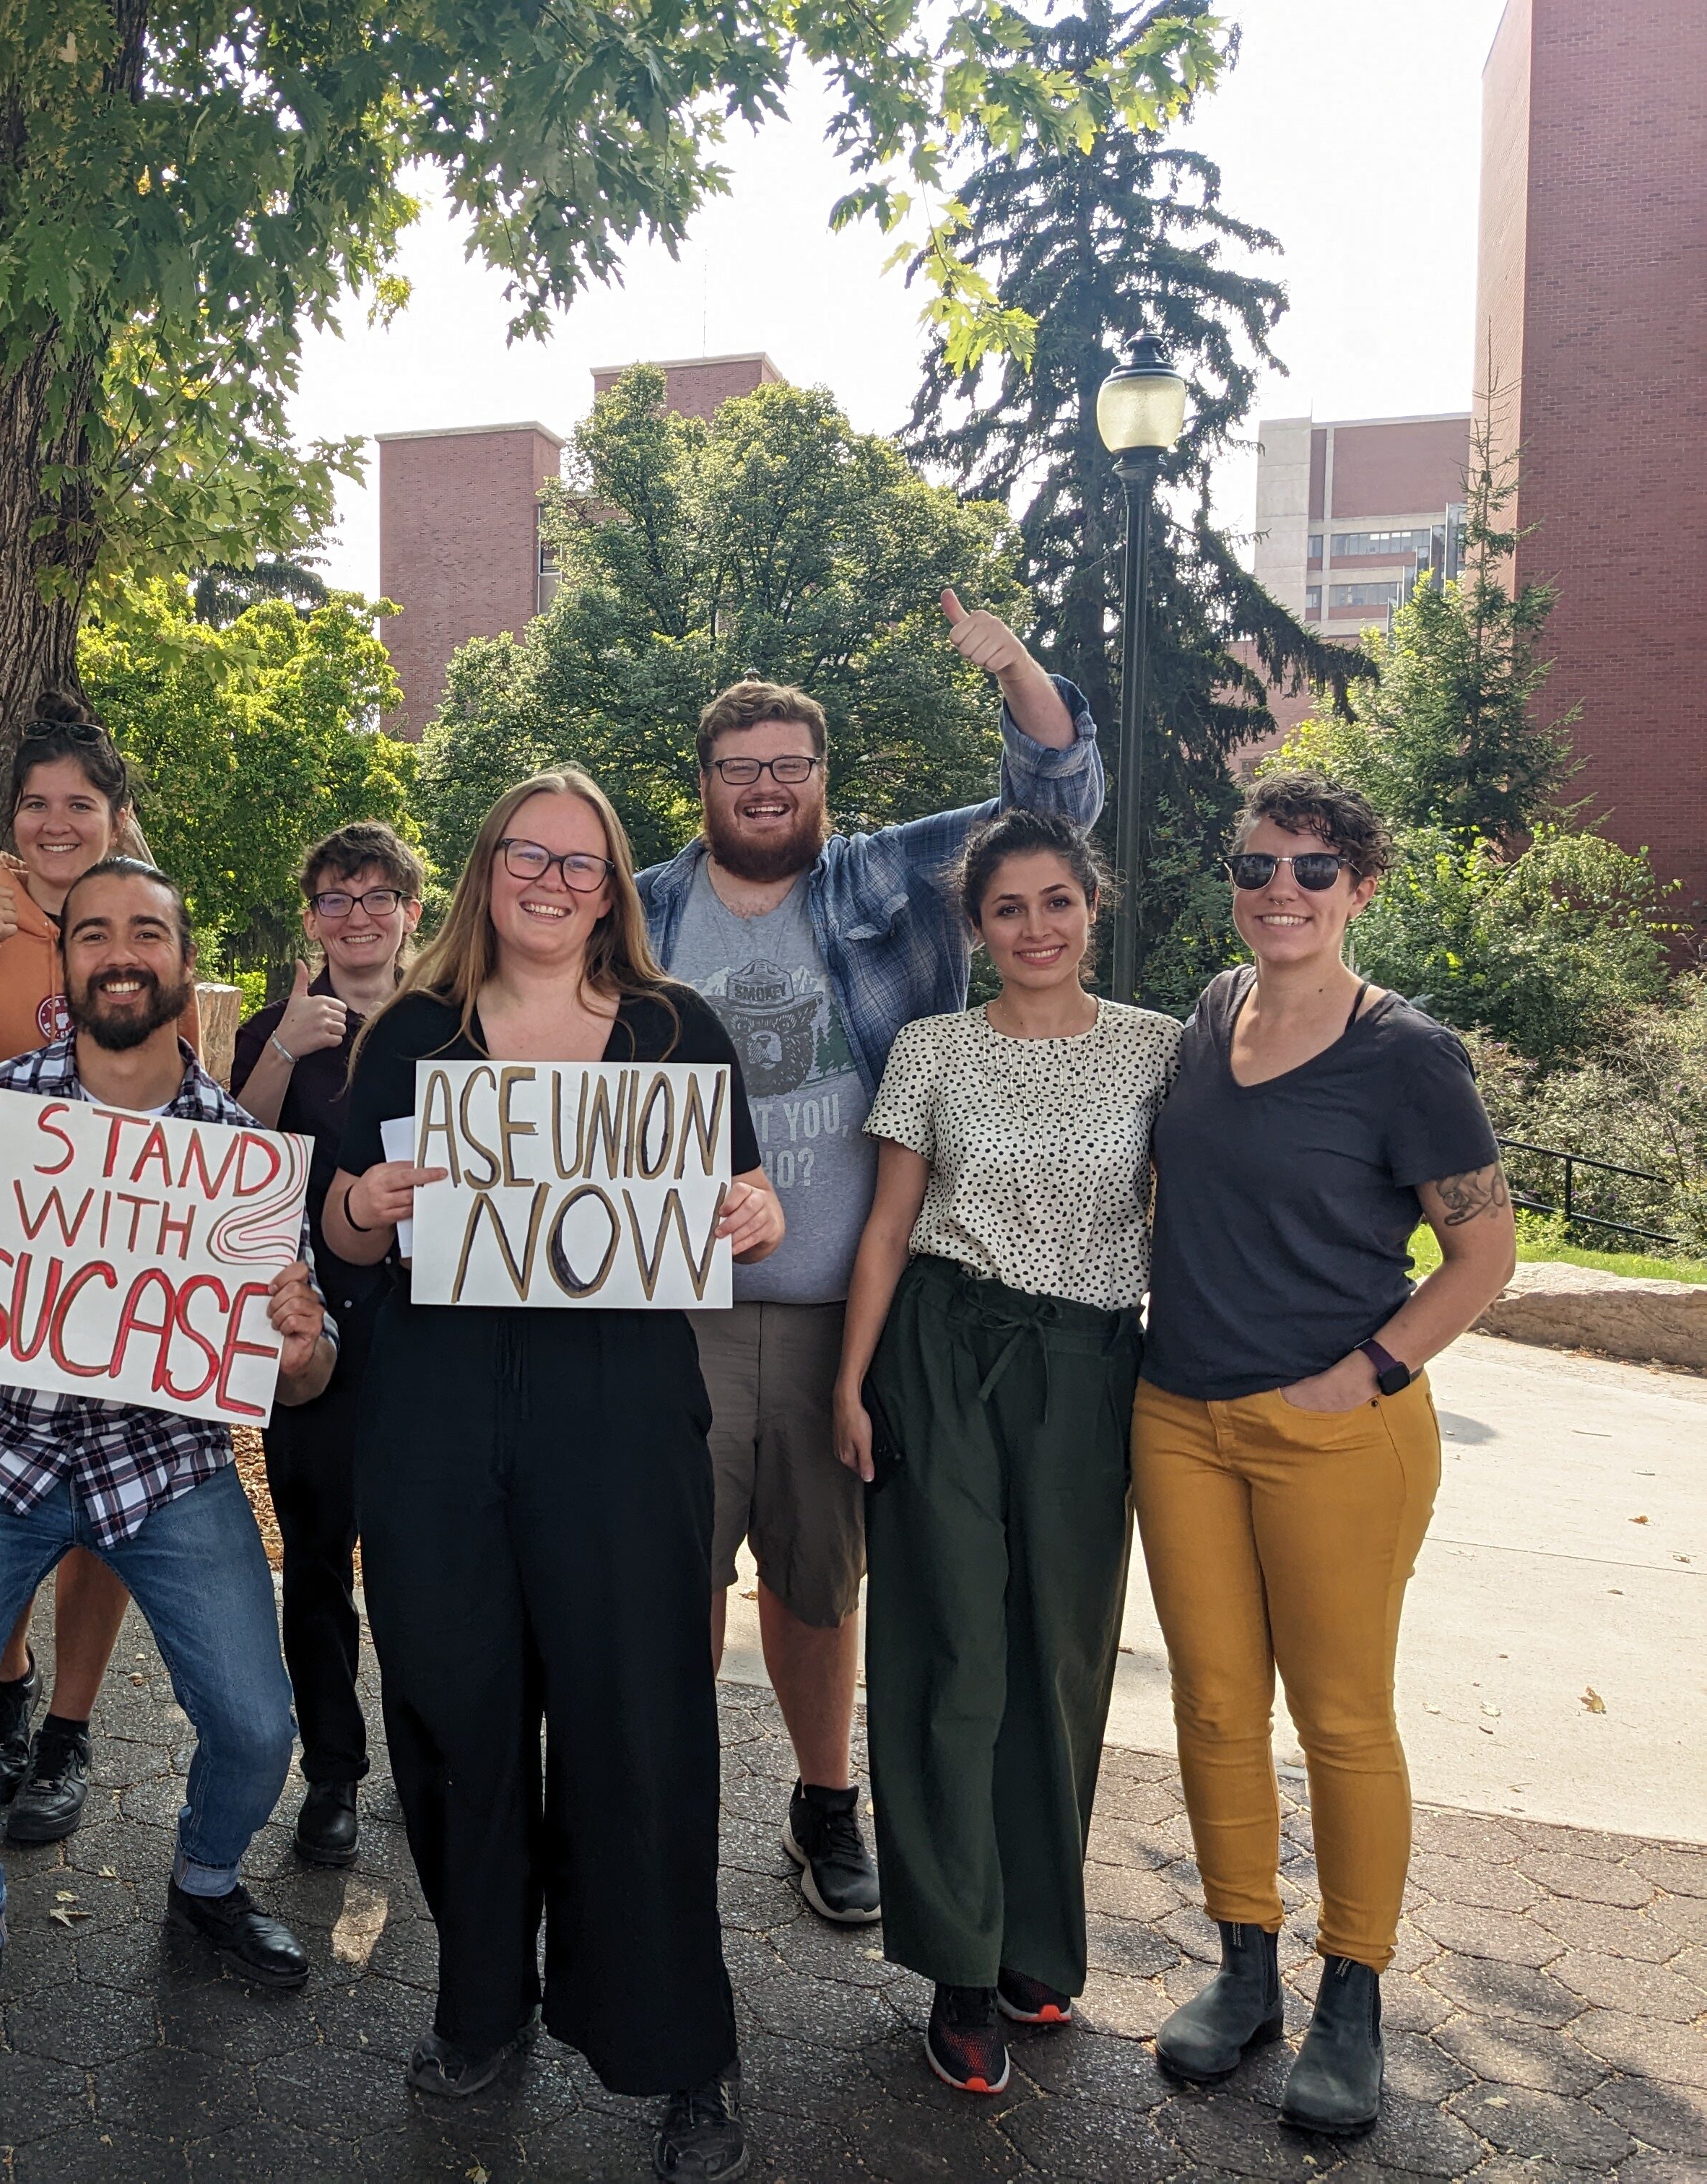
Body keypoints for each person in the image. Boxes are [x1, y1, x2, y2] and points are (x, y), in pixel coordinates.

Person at [0, 857, 336, 2085]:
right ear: (69, 961)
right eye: (95, 933)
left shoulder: (243, 1159)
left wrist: (303, 1345)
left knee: (256, 1723)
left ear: (187, 966)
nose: (122, 951)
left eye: (149, 930)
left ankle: (204, 1878)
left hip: (165, 1464)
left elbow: (299, 1372)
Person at [325, 771, 784, 2184]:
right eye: (530, 855)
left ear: (613, 890)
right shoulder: (411, 1033)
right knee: (456, 1727)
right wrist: (362, 1206)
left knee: (637, 1732)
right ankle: (482, 2008)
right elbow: (339, 1234)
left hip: (618, 1428)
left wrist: (753, 1213)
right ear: (487, 869)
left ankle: (676, 2047)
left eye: (581, 865)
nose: (553, 881)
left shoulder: (674, 1031)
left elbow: (736, 1207)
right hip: (436, 1422)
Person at [633, 593, 1102, 1927]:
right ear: (706, 783)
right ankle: (653, 1800)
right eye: (742, 768)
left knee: (816, 1573)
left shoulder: (894, 878)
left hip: (854, 1310)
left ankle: (823, 1802)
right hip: (674, 1311)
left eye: (790, 765)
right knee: (664, 1569)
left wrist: (1012, 664)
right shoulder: (641, 906)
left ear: (821, 779)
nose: (767, 786)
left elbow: (1056, 807)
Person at [1133, 772, 1516, 2136]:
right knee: (1215, 1705)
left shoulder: (1404, 1051)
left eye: (1310, 869)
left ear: (1359, 887)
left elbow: (1483, 1251)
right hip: (1175, 1416)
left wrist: (1360, 1375)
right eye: (1256, 866)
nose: (1278, 889)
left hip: (1334, 1433)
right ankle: (1244, 1968)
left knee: (1340, 1716)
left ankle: (1351, 1992)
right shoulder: (1203, 1016)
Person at [833, 811, 1181, 2097]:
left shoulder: (1160, 1050)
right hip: (943, 1348)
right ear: (974, 928)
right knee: (953, 1647)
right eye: (1006, 909)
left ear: (1094, 904)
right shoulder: (932, 1049)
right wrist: (850, 1382)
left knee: (1061, 1656)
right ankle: (957, 1962)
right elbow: (885, 1226)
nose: (1034, 927)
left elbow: (1191, 1216)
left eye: (1056, 901)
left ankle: (1036, 1934)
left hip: (1092, 1367)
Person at [0, 700, 192, 1845]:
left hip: (112, 1262)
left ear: (114, 814)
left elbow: (177, 1085)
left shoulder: (142, 920)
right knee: (1, 1492)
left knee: (106, 1515)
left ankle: (70, 1733)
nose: (54, 822)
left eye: (78, 802)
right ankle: (6, 1692)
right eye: (36, 803)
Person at [227, 819, 425, 1868]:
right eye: (337, 900)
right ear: (312, 919)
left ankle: (429, 1760)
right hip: (310, 1324)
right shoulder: (277, 1027)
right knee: (315, 1556)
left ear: (411, 913)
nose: (357, 916)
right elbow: (229, 1165)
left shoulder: (455, 1022)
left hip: (435, 1330)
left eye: (377, 896)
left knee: (425, 1558)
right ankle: (334, 1773)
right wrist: (287, 1051)